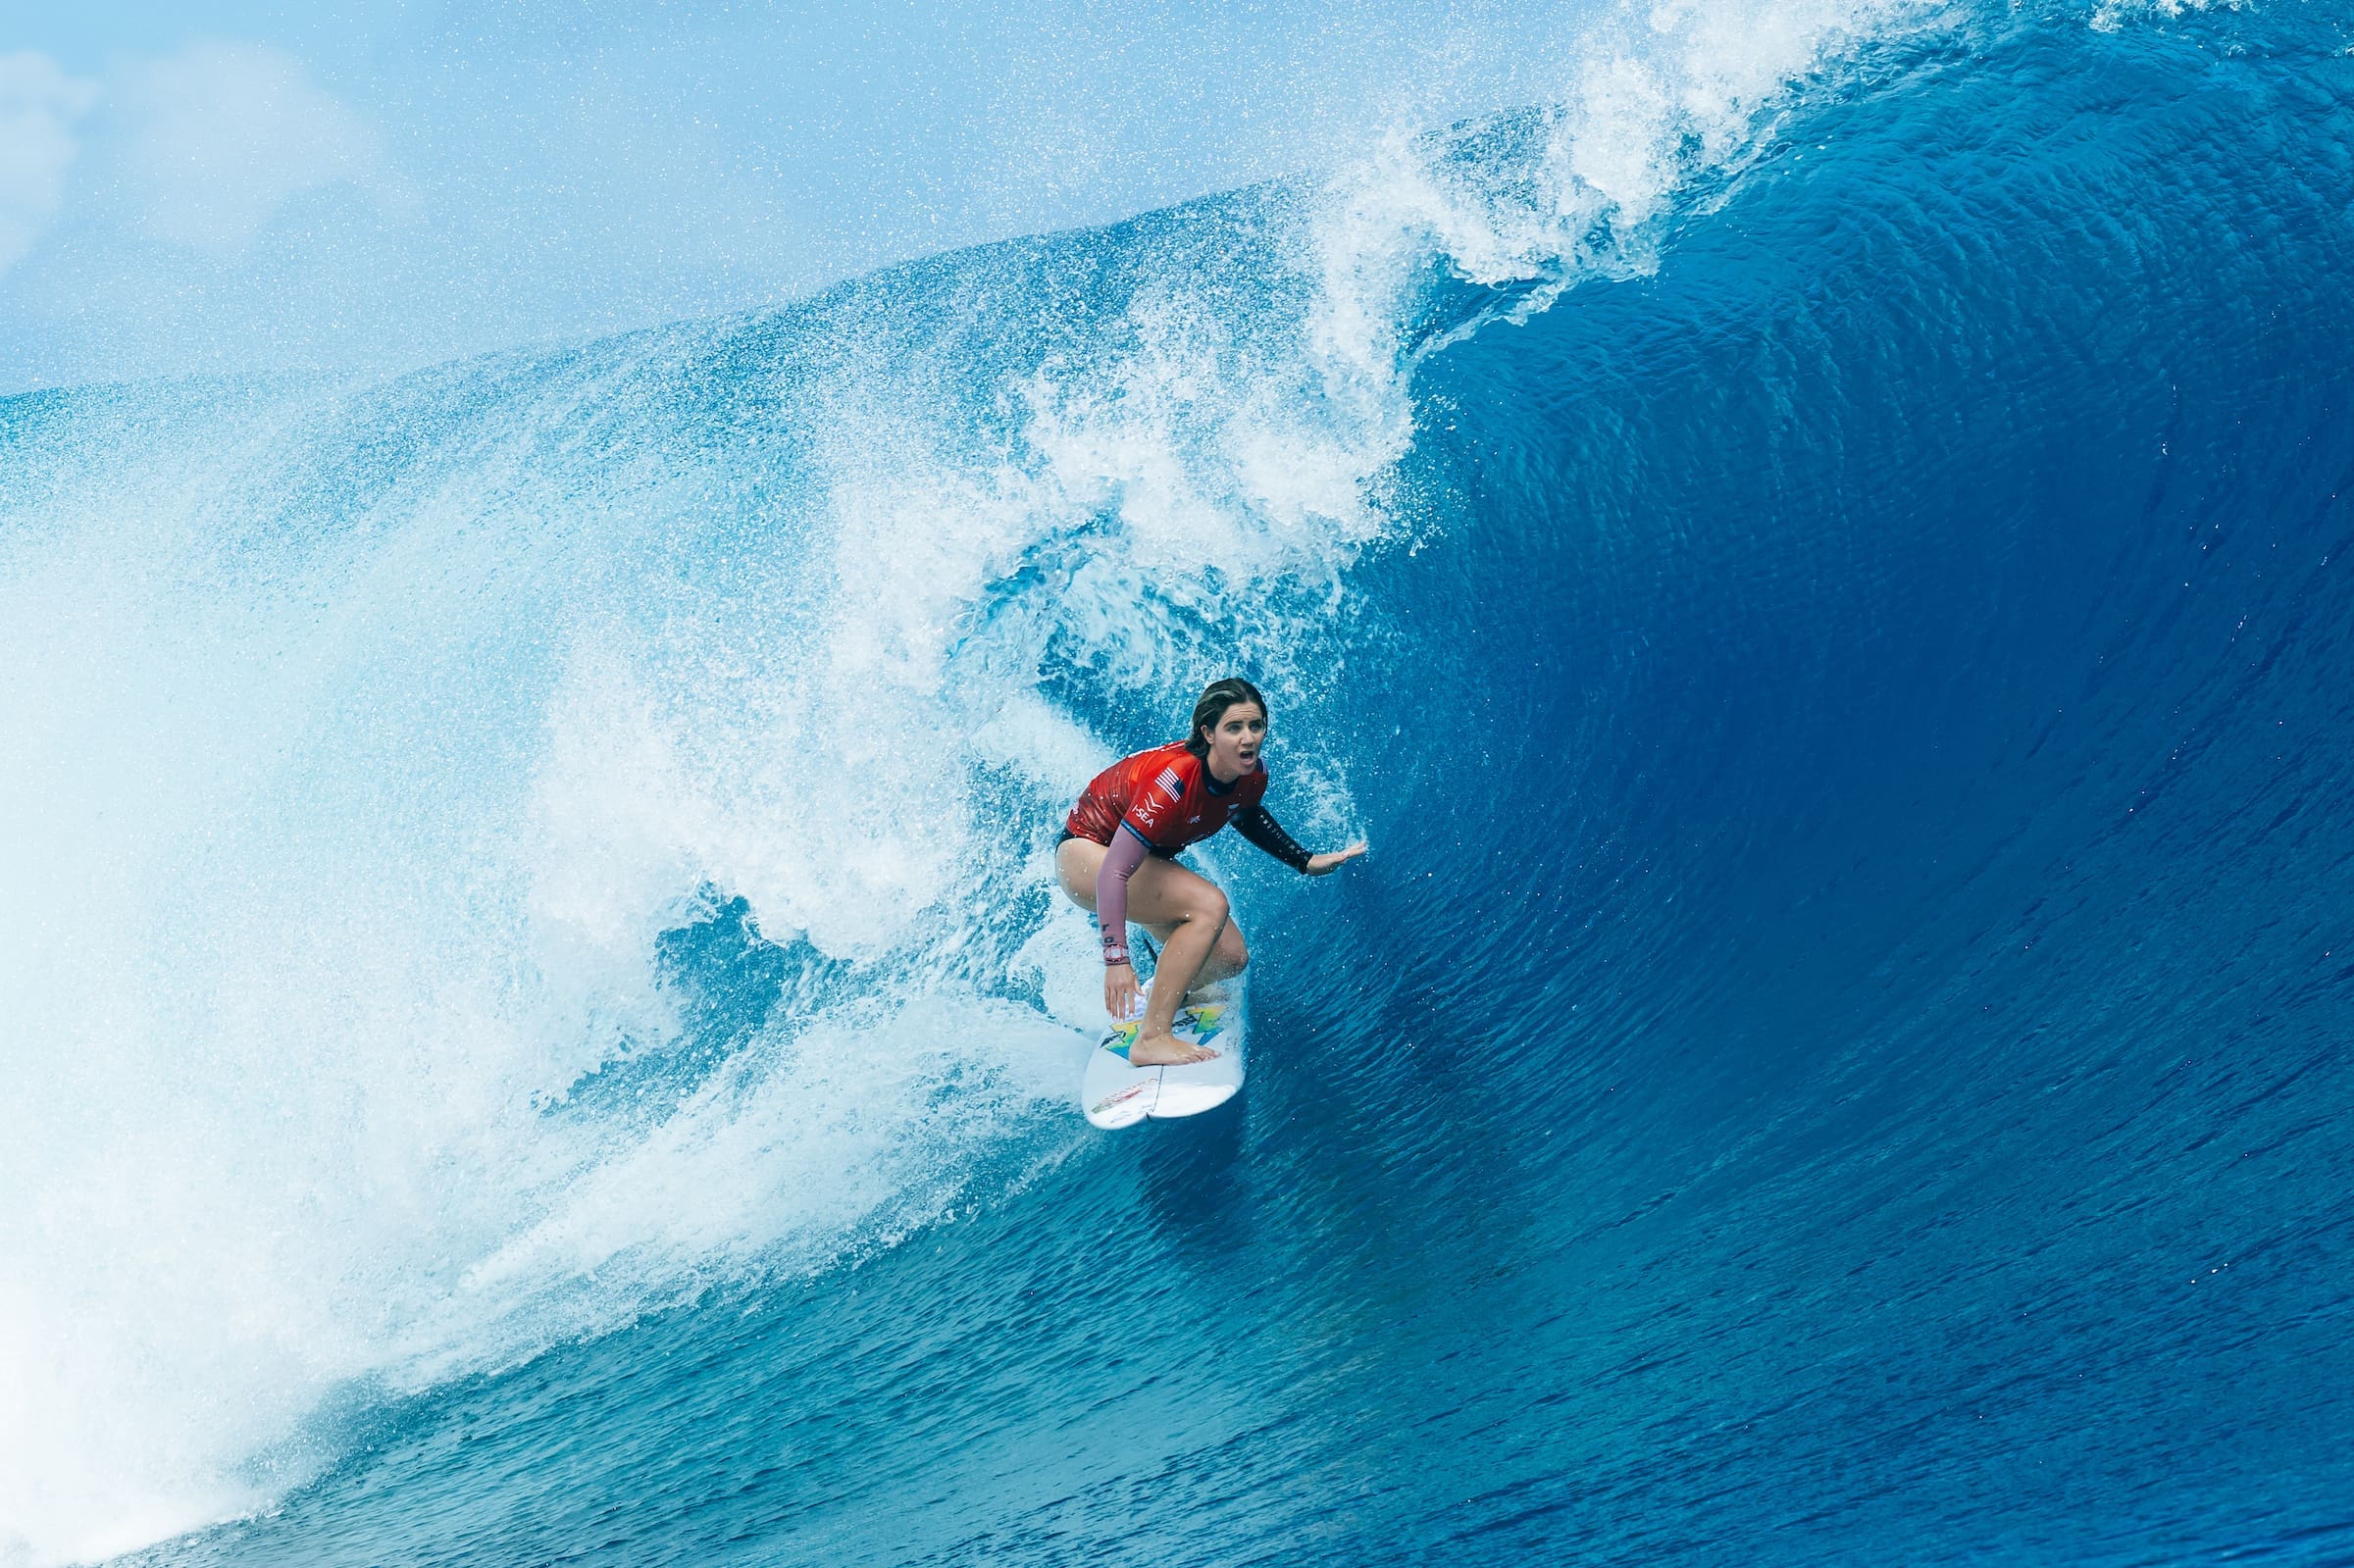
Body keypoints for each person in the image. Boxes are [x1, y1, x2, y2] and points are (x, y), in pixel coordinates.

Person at [1054, 678, 1366, 1066]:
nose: (1247, 738)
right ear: (1209, 733)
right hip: (1088, 857)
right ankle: (1151, 1038)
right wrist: (1116, 961)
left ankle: (1166, 995)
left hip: (1139, 863)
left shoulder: (1250, 775)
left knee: (1229, 958)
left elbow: (1244, 812)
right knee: (1209, 905)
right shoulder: (1172, 783)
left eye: (1256, 726)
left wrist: (1304, 860)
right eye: (1233, 728)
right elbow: (1113, 873)